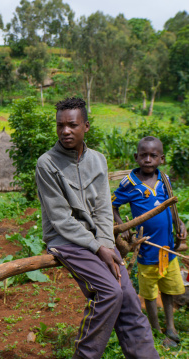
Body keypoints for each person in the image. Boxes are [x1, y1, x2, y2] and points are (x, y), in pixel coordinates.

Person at [35, 97, 159, 359]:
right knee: (109, 291)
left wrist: (106, 243)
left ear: (86, 126)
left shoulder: (98, 160)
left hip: (99, 240)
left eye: (72, 125)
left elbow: (104, 208)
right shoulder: (47, 164)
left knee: (127, 297)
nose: (65, 131)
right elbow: (60, 219)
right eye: (60, 126)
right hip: (66, 240)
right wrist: (97, 247)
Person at [112, 136, 187, 347]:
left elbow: (172, 209)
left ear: (161, 158)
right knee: (150, 293)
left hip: (168, 249)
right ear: (136, 157)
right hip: (146, 250)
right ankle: (155, 329)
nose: (147, 159)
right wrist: (122, 228)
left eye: (153, 156)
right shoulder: (129, 183)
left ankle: (170, 326)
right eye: (143, 155)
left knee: (169, 289)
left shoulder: (165, 180)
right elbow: (113, 206)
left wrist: (180, 224)